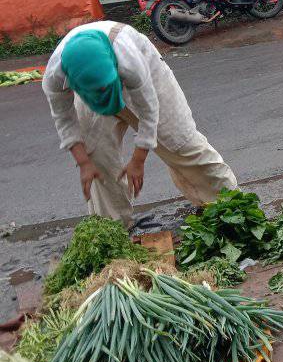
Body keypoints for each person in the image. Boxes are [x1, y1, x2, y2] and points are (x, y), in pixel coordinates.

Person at [43, 21, 237, 227]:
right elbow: (64, 119)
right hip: (90, 82)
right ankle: (114, 227)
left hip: (139, 73)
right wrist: (83, 163)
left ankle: (230, 207)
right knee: (95, 153)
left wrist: (138, 160)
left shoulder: (129, 62)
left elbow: (149, 110)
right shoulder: (55, 77)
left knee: (179, 142)